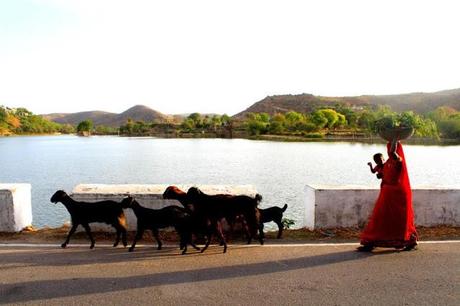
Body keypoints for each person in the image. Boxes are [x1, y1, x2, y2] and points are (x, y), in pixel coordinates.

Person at [358, 139, 417, 252]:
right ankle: (372, 241)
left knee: (399, 218)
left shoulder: (398, 160)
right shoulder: (387, 163)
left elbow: (394, 153)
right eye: (388, 147)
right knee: (380, 217)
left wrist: (394, 139)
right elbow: (381, 175)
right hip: (386, 193)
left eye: (390, 148)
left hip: (397, 194)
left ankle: (408, 241)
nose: (389, 150)